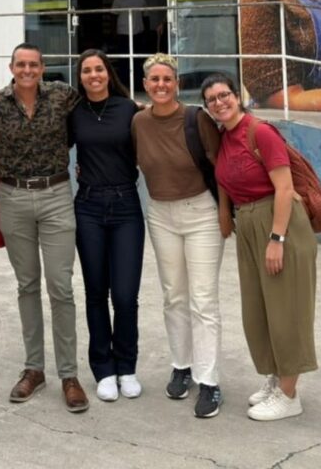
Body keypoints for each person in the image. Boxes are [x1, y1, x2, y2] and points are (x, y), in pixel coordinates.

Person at [0, 43, 89, 412]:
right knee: (27, 285)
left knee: (61, 286)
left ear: (42, 67)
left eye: (33, 65)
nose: (27, 70)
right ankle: (34, 369)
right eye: (21, 64)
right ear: (11, 67)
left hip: (56, 195)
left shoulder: (62, 95)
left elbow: (97, 107)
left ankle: (69, 374)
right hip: (13, 198)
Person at [201, 72, 317, 421]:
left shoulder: (260, 132)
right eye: (211, 100)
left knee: (287, 309)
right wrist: (225, 212)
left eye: (224, 95)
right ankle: (276, 378)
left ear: (237, 96)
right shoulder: (225, 137)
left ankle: (289, 395)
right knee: (259, 310)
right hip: (248, 224)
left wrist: (277, 239)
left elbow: (284, 188)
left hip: (278, 222)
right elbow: (225, 179)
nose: (219, 102)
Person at [131, 54, 229, 419]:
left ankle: (209, 381)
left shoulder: (196, 118)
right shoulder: (138, 122)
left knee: (203, 299)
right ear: (145, 84)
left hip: (201, 213)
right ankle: (182, 366)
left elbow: (221, 167)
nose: (161, 85)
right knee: (174, 296)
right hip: (160, 214)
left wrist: (224, 213)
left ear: (177, 83)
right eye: (154, 79)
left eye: (167, 79)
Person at [69, 49, 144, 402]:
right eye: (86, 71)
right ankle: (103, 369)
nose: (93, 75)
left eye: (99, 69)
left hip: (126, 205)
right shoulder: (74, 113)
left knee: (125, 296)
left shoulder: (128, 109)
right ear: (80, 77)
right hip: (88, 206)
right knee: (96, 292)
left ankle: (127, 366)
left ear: (108, 73)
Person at [111, 0, 149, 89]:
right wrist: (113, 33)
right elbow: (113, 17)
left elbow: (146, 18)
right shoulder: (118, 0)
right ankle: (124, 85)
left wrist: (146, 33)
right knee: (123, 60)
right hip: (123, 34)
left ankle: (137, 84)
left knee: (137, 60)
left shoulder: (141, 0)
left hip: (137, 34)